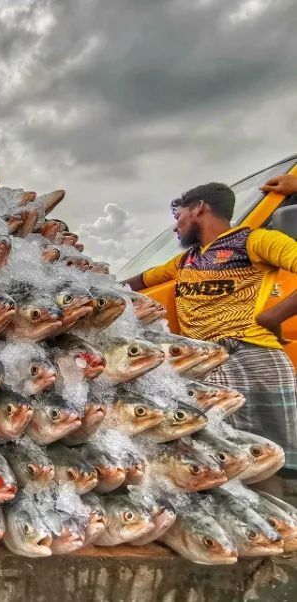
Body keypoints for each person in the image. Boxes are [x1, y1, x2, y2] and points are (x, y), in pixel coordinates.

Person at [124, 182, 297, 496]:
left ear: (199, 208)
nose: (176, 225)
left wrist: (272, 317)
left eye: (179, 216)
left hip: (252, 357)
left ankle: (277, 536)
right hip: (204, 365)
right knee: (218, 461)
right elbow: (135, 283)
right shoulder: (186, 261)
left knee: (262, 462)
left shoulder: (255, 240)